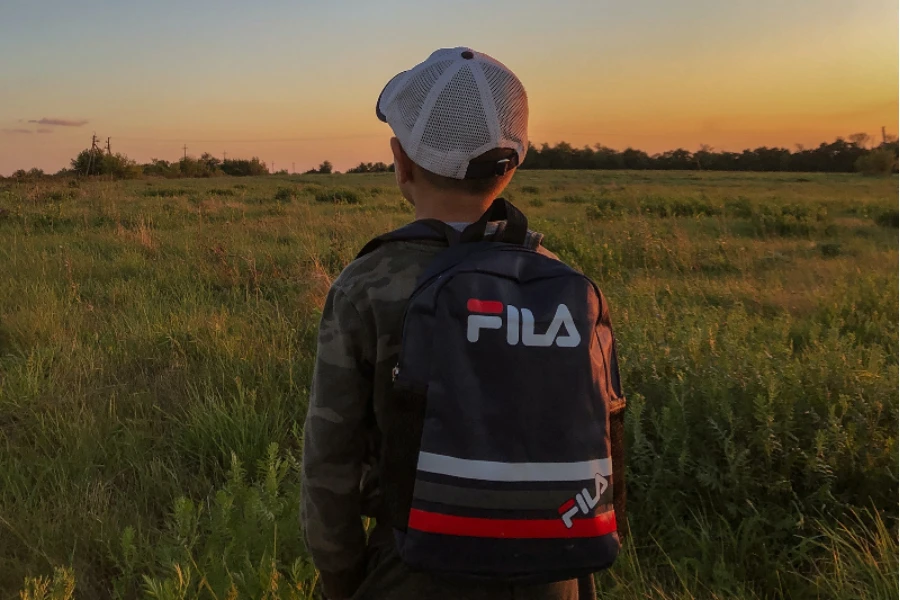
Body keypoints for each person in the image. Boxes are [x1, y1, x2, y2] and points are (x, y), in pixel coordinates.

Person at [301, 47, 623, 600]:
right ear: (511, 164)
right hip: (554, 576)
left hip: (414, 570)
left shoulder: (365, 286)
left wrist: (343, 582)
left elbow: (329, 467)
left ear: (400, 161)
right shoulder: (559, 282)